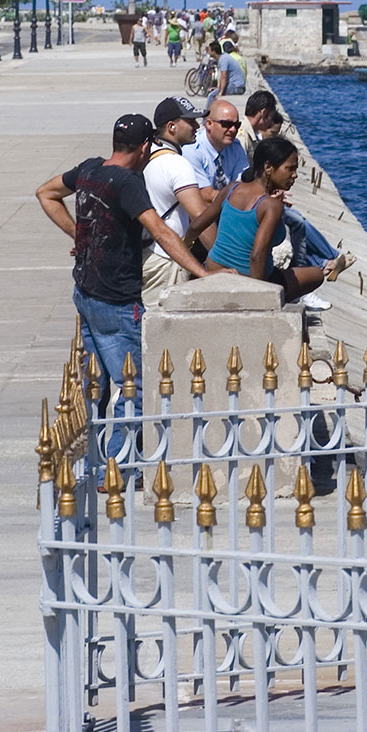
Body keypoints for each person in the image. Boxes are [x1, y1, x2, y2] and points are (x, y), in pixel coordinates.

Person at [37, 114, 212, 463]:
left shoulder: (89, 170)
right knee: (135, 387)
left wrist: (79, 235)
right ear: (145, 147)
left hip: (85, 293)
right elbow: (161, 231)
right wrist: (202, 273)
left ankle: (89, 461)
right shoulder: (127, 182)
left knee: (95, 386)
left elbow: (46, 193)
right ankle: (115, 468)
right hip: (117, 301)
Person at [208, 136, 351, 301]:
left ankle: (328, 260)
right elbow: (257, 256)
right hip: (249, 278)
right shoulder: (271, 206)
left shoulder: (232, 188)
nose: (295, 175)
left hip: (214, 267)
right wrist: (261, 296)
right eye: (290, 169)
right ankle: (325, 263)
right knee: (316, 275)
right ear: (268, 167)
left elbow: (197, 225)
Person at [141, 96, 210, 304]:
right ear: (172, 127)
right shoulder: (177, 164)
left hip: (145, 252)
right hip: (166, 259)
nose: (197, 126)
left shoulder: (147, 153)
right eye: (190, 121)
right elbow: (200, 218)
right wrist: (219, 259)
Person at [185, 98, 249, 192]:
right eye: (226, 124)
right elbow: (205, 194)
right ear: (209, 124)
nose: (233, 130)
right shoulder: (192, 150)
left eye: (237, 125)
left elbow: (243, 185)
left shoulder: (236, 147)